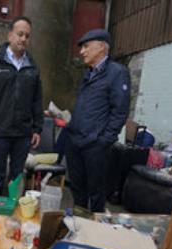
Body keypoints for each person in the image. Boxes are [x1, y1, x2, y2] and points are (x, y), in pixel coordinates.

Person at [64, 28, 130, 212]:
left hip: (95, 146)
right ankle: (79, 227)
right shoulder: (89, 74)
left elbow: (120, 111)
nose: (82, 51)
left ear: (101, 47)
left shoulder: (117, 73)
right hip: (75, 142)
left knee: (96, 193)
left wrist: (104, 141)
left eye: (86, 46)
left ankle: (95, 232)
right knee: (77, 191)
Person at [0, 16, 43, 195]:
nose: (23, 39)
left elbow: (37, 100)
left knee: (17, 178)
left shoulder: (32, 67)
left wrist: (37, 128)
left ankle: (14, 216)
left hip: (23, 134)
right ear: (10, 36)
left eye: (27, 36)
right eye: (20, 34)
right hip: (0, 132)